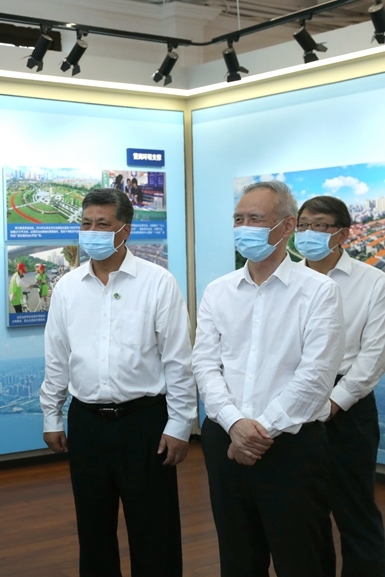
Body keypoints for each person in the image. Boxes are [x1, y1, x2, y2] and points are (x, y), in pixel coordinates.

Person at [40, 188, 196, 577]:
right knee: (93, 530)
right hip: (87, 423)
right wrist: (51, 416)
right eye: (86, 223)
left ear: (125, 230)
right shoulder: (68, 287)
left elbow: (178, 358)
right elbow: (57, 356)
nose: (91, 232)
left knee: (154, 529)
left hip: (144, 422)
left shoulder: (158, 282)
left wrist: (180, 424)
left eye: (102, 224)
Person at [193, 181, 345, 577]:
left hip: (291, 447)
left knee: (301, 559)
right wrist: (235, 424)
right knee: (238, 558)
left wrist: (259, 432)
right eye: (239, 219)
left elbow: (315, 376)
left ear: (287, 226)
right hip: (226, 442)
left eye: (256, 219)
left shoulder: (319, 291)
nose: (244, 227)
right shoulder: (218, 291)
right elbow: (205, 365)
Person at [294, 195, 385, 577]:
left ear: (343, 234)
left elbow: (374, 355)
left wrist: (333, 401)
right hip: (294, 403)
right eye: (303, 225)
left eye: (319, 226)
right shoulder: (287, 277)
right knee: (305, 514)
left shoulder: (373, 281)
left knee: (355, 511)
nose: (308, 233)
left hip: (347, 406)